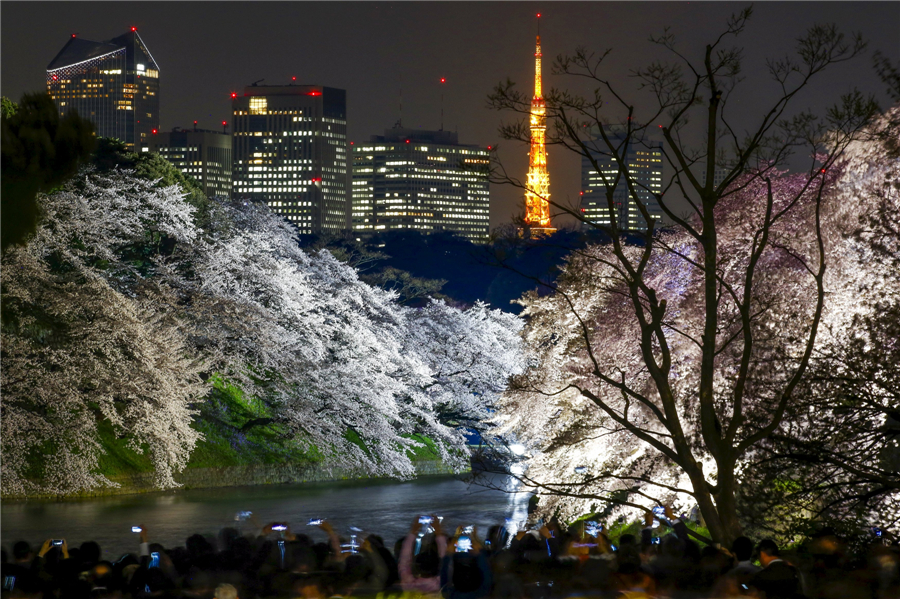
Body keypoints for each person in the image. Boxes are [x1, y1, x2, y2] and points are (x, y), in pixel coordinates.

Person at [398, 515, 447, 595]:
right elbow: (446, 561)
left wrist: (413, 531)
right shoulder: (441, 584)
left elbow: (404, 560)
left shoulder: (409, 584)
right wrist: (439, 532)